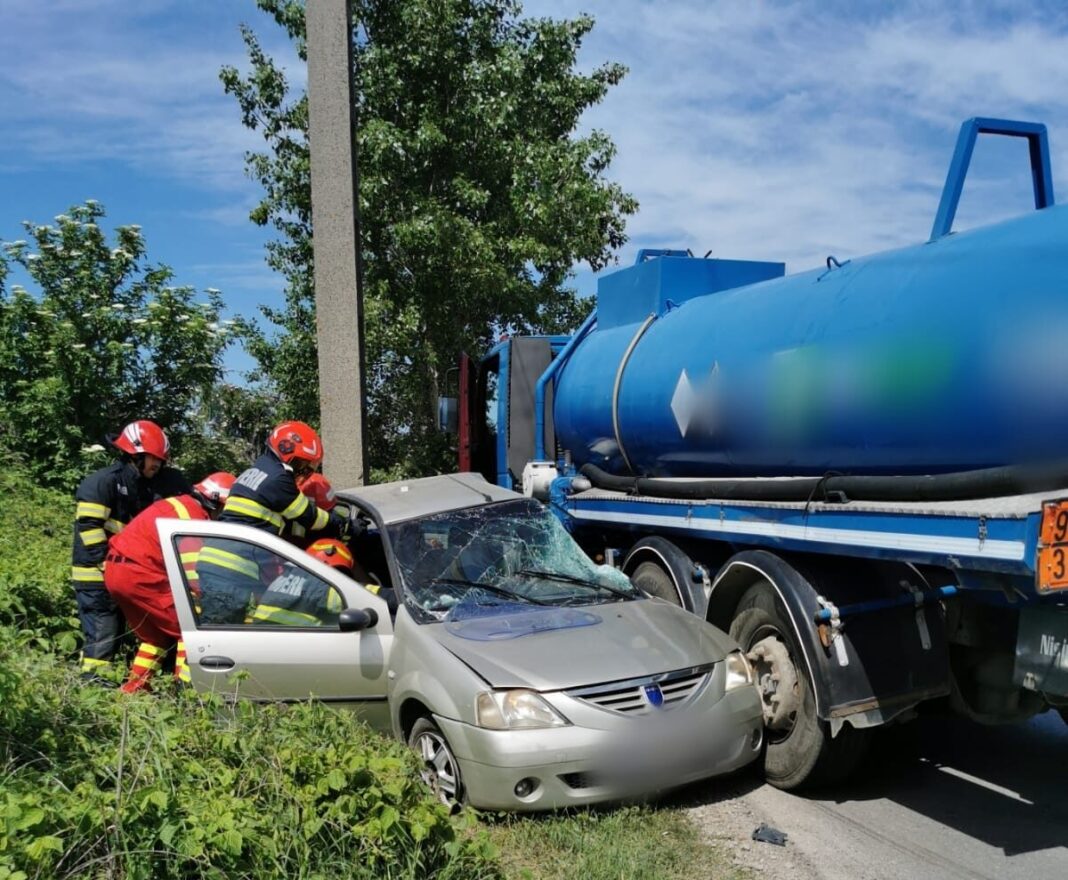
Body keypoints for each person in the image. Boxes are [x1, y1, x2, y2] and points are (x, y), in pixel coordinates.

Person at [71, 419, 192, 681]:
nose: (157, 465)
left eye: (161, 460)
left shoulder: (146, 486)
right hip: (95, 576)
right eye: (153, 459)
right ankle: (91, 687)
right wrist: (106, 564)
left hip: (123, 575)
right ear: (135, 454)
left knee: (131, 633)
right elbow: (89, 528)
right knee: (104, 634)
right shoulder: (103, 483)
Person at [103, 471, 236, 694]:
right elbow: (193, 575)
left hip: (116, 571)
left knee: (154, 638)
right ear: (215, 502)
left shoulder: (178, 504)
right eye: (223, 509)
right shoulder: (193, 518)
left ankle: (133, 691)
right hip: (142, 575)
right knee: (190, 627)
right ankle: (183, 693)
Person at [248, 537, 352, 626]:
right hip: (292, 644)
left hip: (263, 637)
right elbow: (353, 596)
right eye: (339, 572)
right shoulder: (320, 585)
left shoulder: (283, 576)